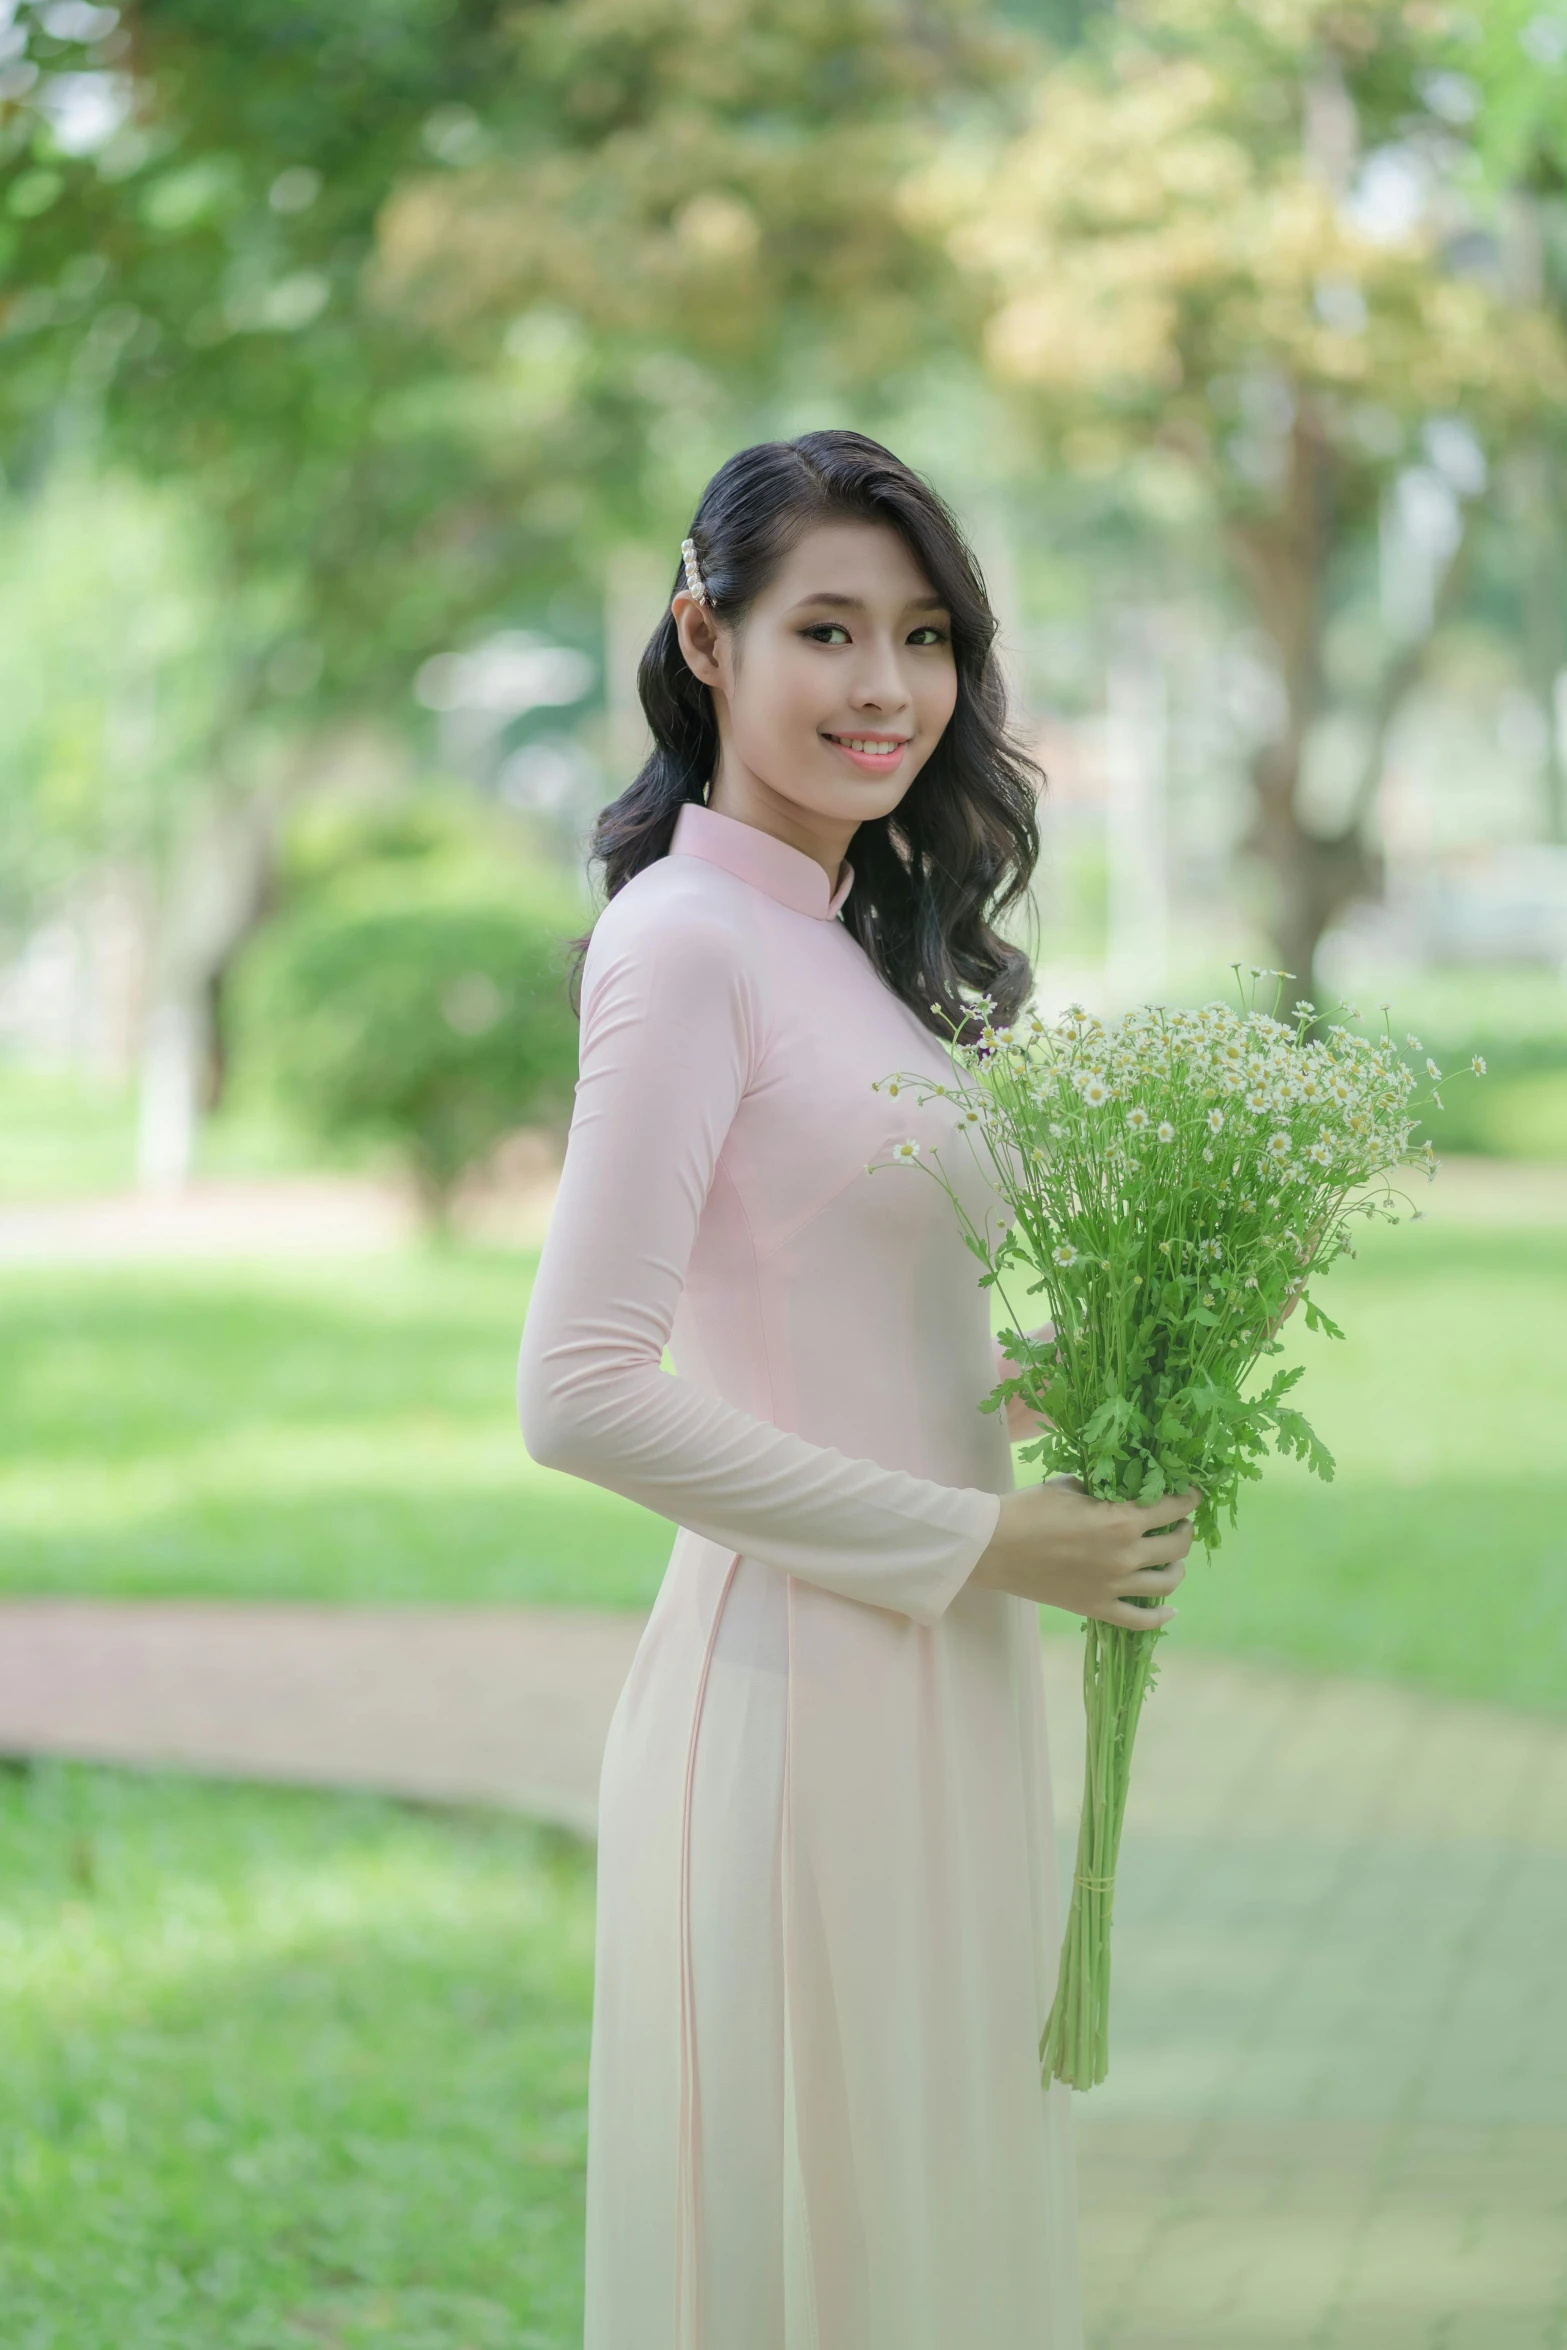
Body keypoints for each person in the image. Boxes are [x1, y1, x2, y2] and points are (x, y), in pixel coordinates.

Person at [516, 429, 1196, 2350]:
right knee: (819, 2246)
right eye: (825, 628)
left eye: (923, 635)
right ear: (704, 641)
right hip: (797, 1697)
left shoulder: (856, 952)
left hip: (946, 1684)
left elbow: (849, 1311)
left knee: (928, 2238)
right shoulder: (682, 942)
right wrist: (980, 1536)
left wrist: (1093, 1396)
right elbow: (576, 1391)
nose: (885, 686)